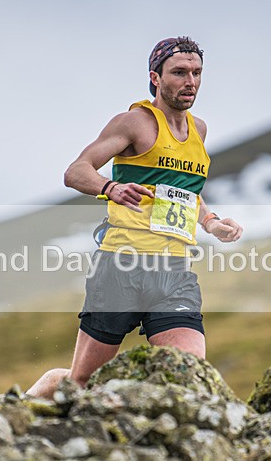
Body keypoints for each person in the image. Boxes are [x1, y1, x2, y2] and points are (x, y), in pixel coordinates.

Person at [27, 36, 242, 399]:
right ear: (155, 77)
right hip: (121, 267)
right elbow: (76, 171)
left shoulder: (199, 130)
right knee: (81, 385)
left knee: (189, 379)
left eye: (196, 73)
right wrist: (109, 188)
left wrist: (210, 222)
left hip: (174, 271)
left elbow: (184, 190)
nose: (190, 81)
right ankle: (37, 394)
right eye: (179, 72)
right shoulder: (134, 123)